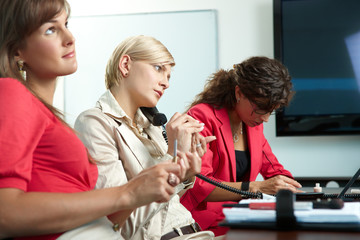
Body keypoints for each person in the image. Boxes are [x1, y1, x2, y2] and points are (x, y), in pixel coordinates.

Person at [0, 1, 190, 239]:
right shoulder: (12, 92)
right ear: (17, 50)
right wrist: (128, 192)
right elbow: (4, 214)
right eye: (50, 29)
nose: (70, 37)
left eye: (66, 24)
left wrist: (161, 178)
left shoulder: (51, 118)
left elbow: (112, 221)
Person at [74, 35, 220, 240]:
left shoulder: (151, 126)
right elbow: (118, 222)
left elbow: (168, 207)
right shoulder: (94, 123)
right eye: (159, 68)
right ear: (125, 65)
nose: (166, 83)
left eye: (169, 76)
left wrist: (185, 166)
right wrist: (172, 159)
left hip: (195, 231)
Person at [180, 56, 303, 236]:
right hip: (204, 224)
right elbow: (200, 185)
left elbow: (275, 170)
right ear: (239, 93)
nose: (266, 118)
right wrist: (256, 188)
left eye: (271, 111)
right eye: (261, 108)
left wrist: (289, 186)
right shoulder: (202, 117)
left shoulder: (253, 123)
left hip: (239, 218)